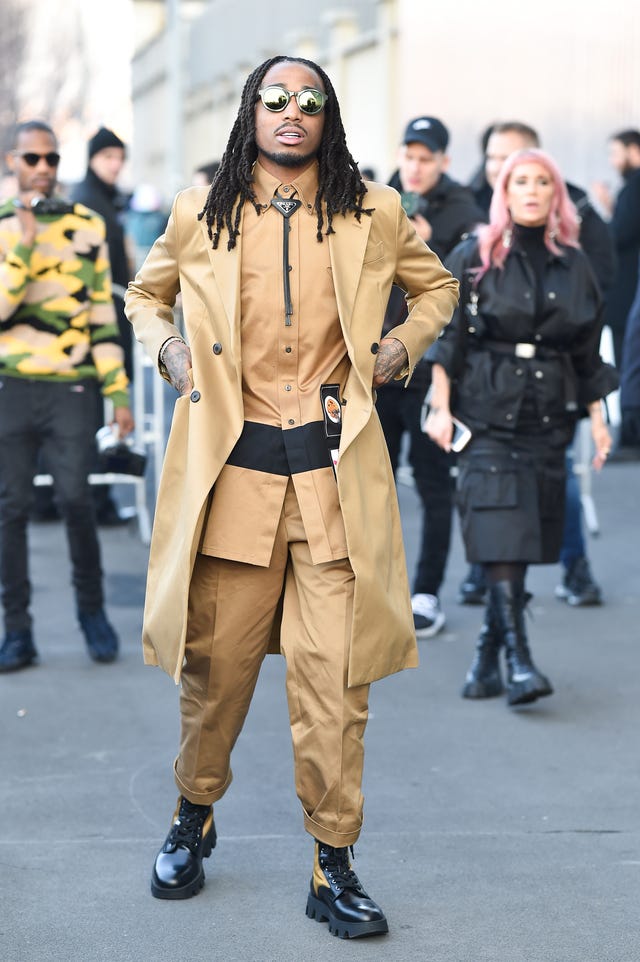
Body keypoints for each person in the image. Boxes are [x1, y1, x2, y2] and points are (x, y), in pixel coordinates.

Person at [125, 55, 458, 938]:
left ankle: (331, 863)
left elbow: (437, 287)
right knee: (217, 678)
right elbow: (145, 294)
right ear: (251, 111)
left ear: (327, 117)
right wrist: (171, 352)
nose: (292, 112)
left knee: (336, 689)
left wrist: (400, 348)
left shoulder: (375, 210)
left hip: (333, 488)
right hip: (234, 484)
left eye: (310, 101)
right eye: (275, 98)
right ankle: (193, 813)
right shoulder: (201, 211)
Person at [425, 148, 618, 706]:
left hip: (549, 415)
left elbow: (587, 352)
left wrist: (599, 421)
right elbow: (448, 339)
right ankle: (519, 661)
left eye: (541, 182)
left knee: (524, 530)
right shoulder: (474, 256)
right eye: (520, 182)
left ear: (556, 194)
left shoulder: (575, 264)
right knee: (501, 522)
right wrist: (440, 407)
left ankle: (486, 656)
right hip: (486, 411)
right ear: (503, 192)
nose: (531, 191)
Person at [460, 120, 616, 608]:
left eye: (529, 170)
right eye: (495, 161)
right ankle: (493, 594)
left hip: (552, 393)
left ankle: (573, 565)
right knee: (492, 493)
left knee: (554, 486)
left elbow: (590, 315)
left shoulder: (577, 223)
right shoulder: (474, 222)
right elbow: (451, 322)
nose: (503, 169)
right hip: (489, 395)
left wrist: (598, 411)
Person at [0, 120, 134, 672]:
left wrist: (119, 394)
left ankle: (93, 615)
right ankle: (17, 629)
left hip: (73, 386)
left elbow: (102, 315)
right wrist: (26, 242)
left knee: (78, 501)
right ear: (12, 161)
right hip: (11, 386)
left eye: (51, 158)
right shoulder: (3, 227)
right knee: (11, 509)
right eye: (31, 158)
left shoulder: (87, 225)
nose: (43, 168)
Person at [378, 117, 485, 638]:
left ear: (444, 161)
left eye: (426, 158)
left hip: (430, 372)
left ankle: (426, 592)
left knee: (433, 484)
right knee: (369, 483)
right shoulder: (380, 199)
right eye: (409, 156)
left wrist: (426, 244)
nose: (415, 167)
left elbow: (466, 288)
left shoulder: (464, 211)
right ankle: (374, 588)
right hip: (375, 366)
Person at [71, 127, 133, 525]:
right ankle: (93, 501)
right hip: (96, 323)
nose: (115, 164)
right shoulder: (87, 201)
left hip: (108, 317)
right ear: (92, 159)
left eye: (119, 157)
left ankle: (95, 499)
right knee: (92, 415)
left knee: (100, 413)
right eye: (107, 157)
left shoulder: (104, 198)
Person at [593, 129, 640, 456]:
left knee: (629, 359)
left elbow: (620, 234)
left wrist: (605, 213)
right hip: (628, 292)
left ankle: (632, 434)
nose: (612, 161)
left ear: (633, 151)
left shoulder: (635, 187)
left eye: (615, 153)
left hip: (628, 293)